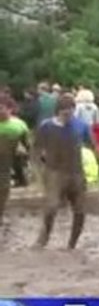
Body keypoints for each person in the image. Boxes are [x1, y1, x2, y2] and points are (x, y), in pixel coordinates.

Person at [32, 93, 99, 249]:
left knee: (80, 210)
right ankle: (43, 239)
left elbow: (93, 144)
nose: (68, 115)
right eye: (65, 111)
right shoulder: (47, 126)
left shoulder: (81, 125)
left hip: (76, 173)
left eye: (71, 111)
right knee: (51, 207)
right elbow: (37, 148)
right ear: (58, 111)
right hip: (54, 172)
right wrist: (38, 169)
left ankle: (72, 244)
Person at [0, 96, 30, 229]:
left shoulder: (18, 125)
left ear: (10, 109)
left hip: (6, 164)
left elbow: (27, 145)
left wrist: (24, 150)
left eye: (1, 108)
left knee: (4, 189)